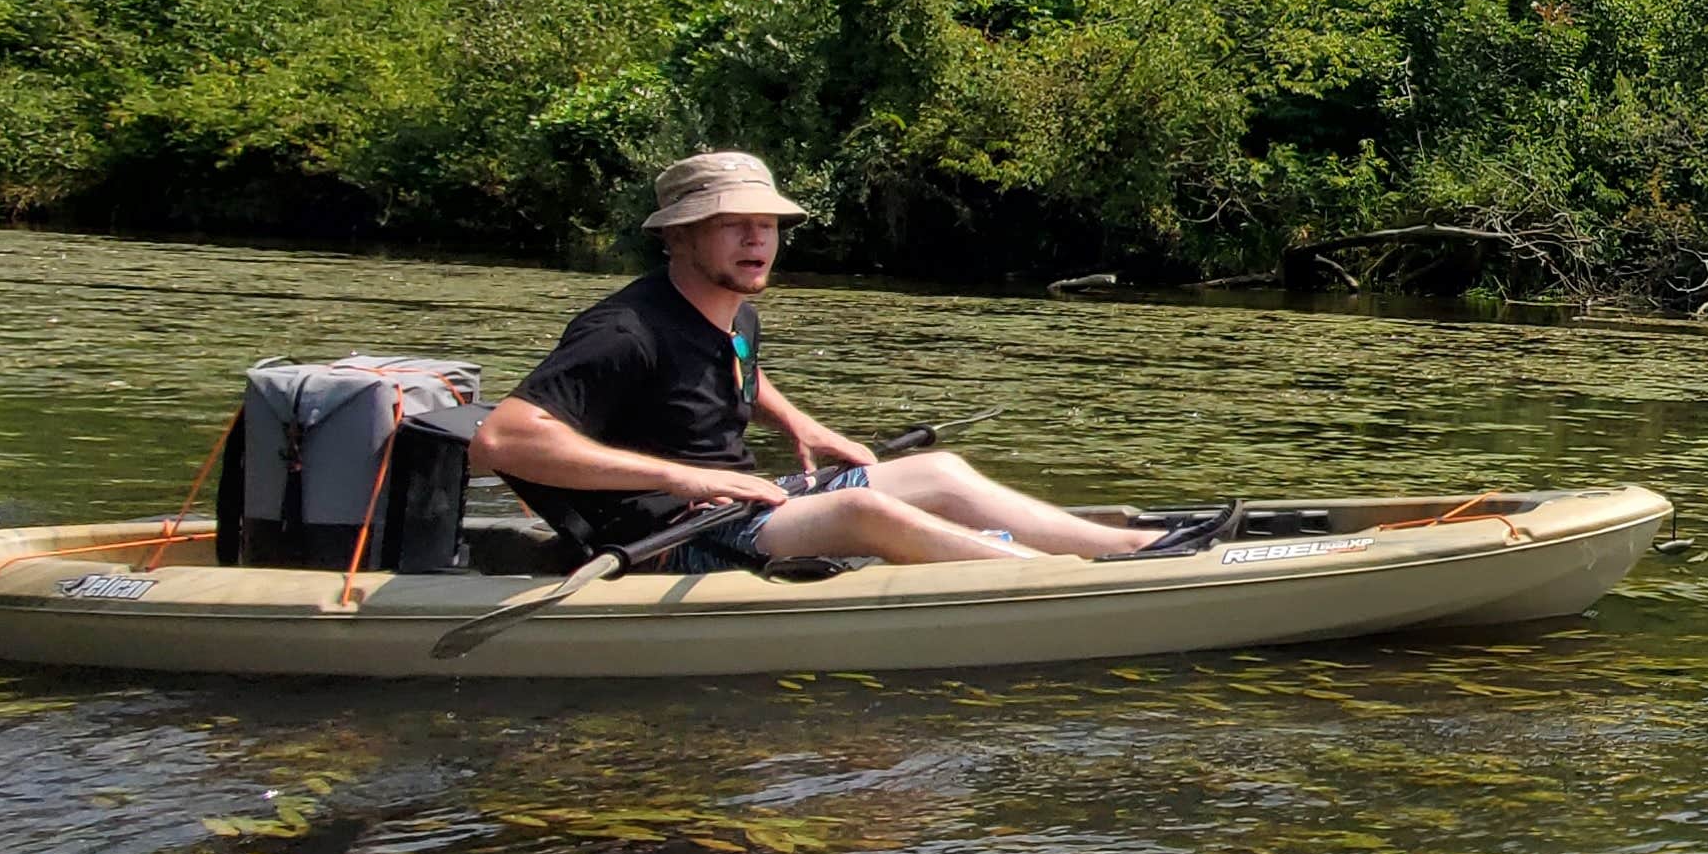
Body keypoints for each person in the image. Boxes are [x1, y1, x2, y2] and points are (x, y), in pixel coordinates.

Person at [478, 151, 1192, 571]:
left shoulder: (732, 310)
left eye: (767, 226)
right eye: (733, 225)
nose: (757, 240)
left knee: (938, 471)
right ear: (680, 238)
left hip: (739, 502)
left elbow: (730, 369)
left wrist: (802, 424)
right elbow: (503, 439)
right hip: (666, 536)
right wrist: (682, 476)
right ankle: (1062, 583)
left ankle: (1137, 546)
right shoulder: (623, 328)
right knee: (859, 505)